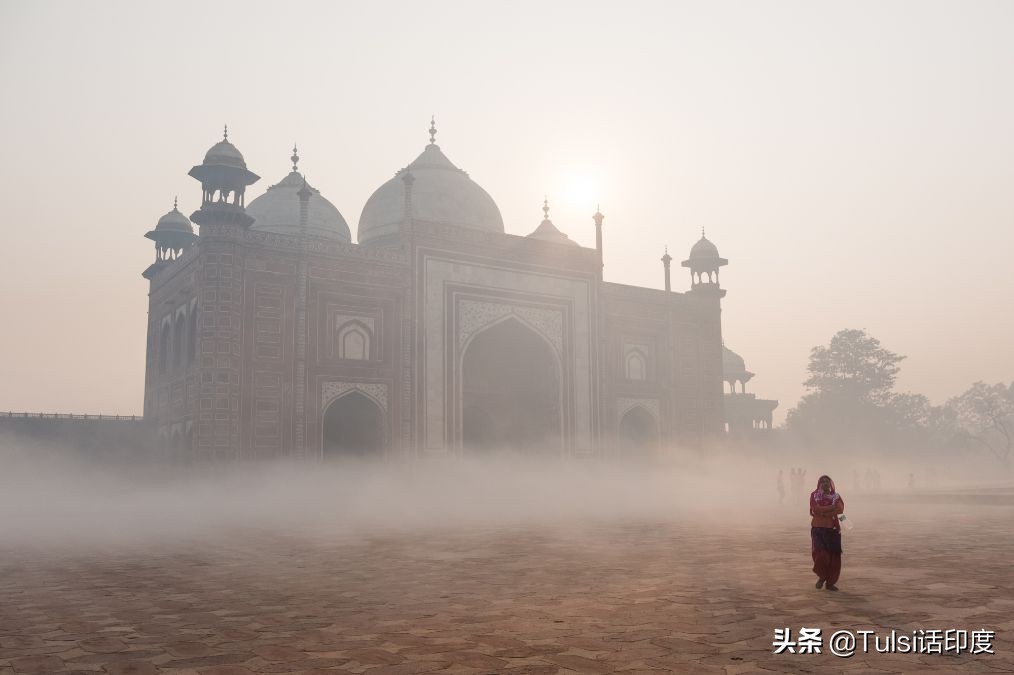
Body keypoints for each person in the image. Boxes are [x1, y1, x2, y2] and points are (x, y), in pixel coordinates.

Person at [810, 474, 845, 591]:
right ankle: (822, 576)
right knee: (820, 555)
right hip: (818, 529)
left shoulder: (836, 496)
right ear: (819, 484)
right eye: (823, 482)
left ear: (830, 484)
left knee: (834, 558)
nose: (825, 483)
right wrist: (831, 507)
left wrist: (824, 512)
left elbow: (840, 509)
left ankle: (830, 583)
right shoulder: (814, 495)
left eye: (827, 482)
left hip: (833, 530)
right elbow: (815, 509)